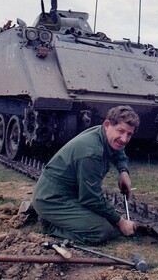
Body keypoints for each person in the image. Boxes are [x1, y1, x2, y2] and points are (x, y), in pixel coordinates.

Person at [32, 105, 140, 245]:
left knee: (104, 219)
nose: (124, 139)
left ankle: (55, 217)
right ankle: (50, 225)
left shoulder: (103, 134)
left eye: (129, 134)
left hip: (68, 194)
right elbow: (90, 198)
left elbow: (119, 150)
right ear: (107, 125)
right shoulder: (92, 153)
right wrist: (120, 222)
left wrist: (124, 172)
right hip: (52, 199)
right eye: (121, 131)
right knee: (102, 231)